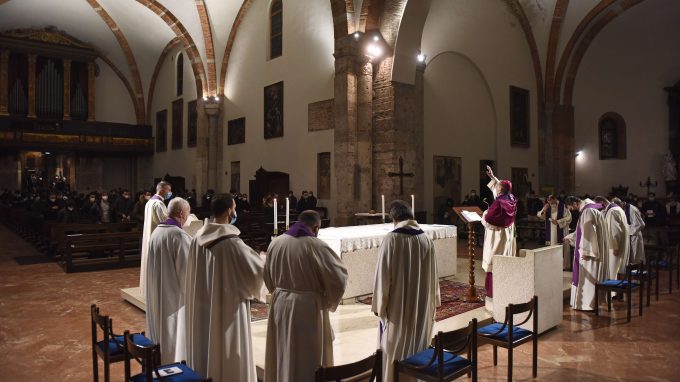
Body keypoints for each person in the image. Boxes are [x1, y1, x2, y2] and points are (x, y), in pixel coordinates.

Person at [185, 195, 264, 382]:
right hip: (227, 308)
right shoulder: (231, 242)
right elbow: (256, 272)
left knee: (206, 345)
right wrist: (264, 259)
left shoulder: (198, 236)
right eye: (234, 207)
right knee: (227, 349)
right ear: (229, 210)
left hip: (203, 304)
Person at [264, 210, 348, 382]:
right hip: (307, 306)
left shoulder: (276, 242)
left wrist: (279, 291)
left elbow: (267, 275)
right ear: (316, 227)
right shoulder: (316, 245)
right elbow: (339, 278)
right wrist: (327, 300)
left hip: (280, 303)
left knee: (283, 350)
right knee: (307, 356)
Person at [372, 200, 440, 382]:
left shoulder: (392, 239)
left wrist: (380, 305)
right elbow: (434, 276)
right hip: (422, 307)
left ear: (394, 218)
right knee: (418, 345)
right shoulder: (426, 239)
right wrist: (434, 302)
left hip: (398, 311)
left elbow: (382, 277)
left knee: (394, 350)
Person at [145, 197, 192, 364]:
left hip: (157, 290)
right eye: (188, 213)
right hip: (173, 298)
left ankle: (158, 360)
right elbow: (188, 274)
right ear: (181, 213)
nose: (188, 217)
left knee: (160, 330)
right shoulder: (179, 236)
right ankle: (172, 366)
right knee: (173, 336)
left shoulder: (157, 231)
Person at [481, 165, 517, 301]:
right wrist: (492, 177)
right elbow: (501, 187)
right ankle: (505, 288)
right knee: (503, 261)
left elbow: (489, 221)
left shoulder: (498, 204)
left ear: (500, 189)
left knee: (493, 261)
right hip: (506, 235)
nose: (495, 187)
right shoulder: (510, 198)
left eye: (497, 186)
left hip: (497, 237)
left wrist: (484, 215)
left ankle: (493, 291)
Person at [564, 196, 607, 311]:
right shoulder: (591, 209)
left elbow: (588, 234)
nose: (573, 210)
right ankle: (592, 302)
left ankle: (587, 304)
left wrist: (586, 251)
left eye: (572, 208)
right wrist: (570, 237)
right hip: (594, 249)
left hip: (589, 253)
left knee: (588, 278)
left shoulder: (587, 211)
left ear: (574, 203)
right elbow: (581, 230)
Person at [140, 181, 171, 298]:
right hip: (156, 238)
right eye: (169, 190)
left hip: (150, 237)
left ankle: (148, 290)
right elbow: (165, 221)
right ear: (162, 190)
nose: (169, 193)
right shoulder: (158, 204)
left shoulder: (150, 202)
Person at [595, 196, 629, 279]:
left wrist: (615, 247)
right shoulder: (617, 209)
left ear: (602, 203)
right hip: (619, 244)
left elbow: (614, 231)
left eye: (597, 206)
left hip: (613, 246)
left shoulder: (612, 211)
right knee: (616, 270)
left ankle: (613, 291)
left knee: (613, 271)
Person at [620, 198, 645, 263]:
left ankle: (636, 269)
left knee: (636, 256)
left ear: (622, 202)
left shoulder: (632, 209)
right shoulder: (623, 209)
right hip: (628, 235)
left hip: (634, 235)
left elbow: (641, 224)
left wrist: (629, 232)